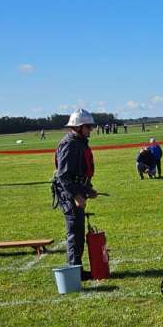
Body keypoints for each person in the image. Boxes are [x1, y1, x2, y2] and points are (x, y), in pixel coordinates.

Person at [51, 109, 98, 279]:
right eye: (88, 127)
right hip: (69, 194)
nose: (90, 130)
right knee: (75, 234)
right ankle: (74, 271)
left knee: (78, 232)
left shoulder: (80, 141)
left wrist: (87, 189)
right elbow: (63, 175)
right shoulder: (69, 144)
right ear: (79, 127)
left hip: (77, 191)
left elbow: (80, 171)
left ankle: (76, 269)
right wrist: (76, 196)